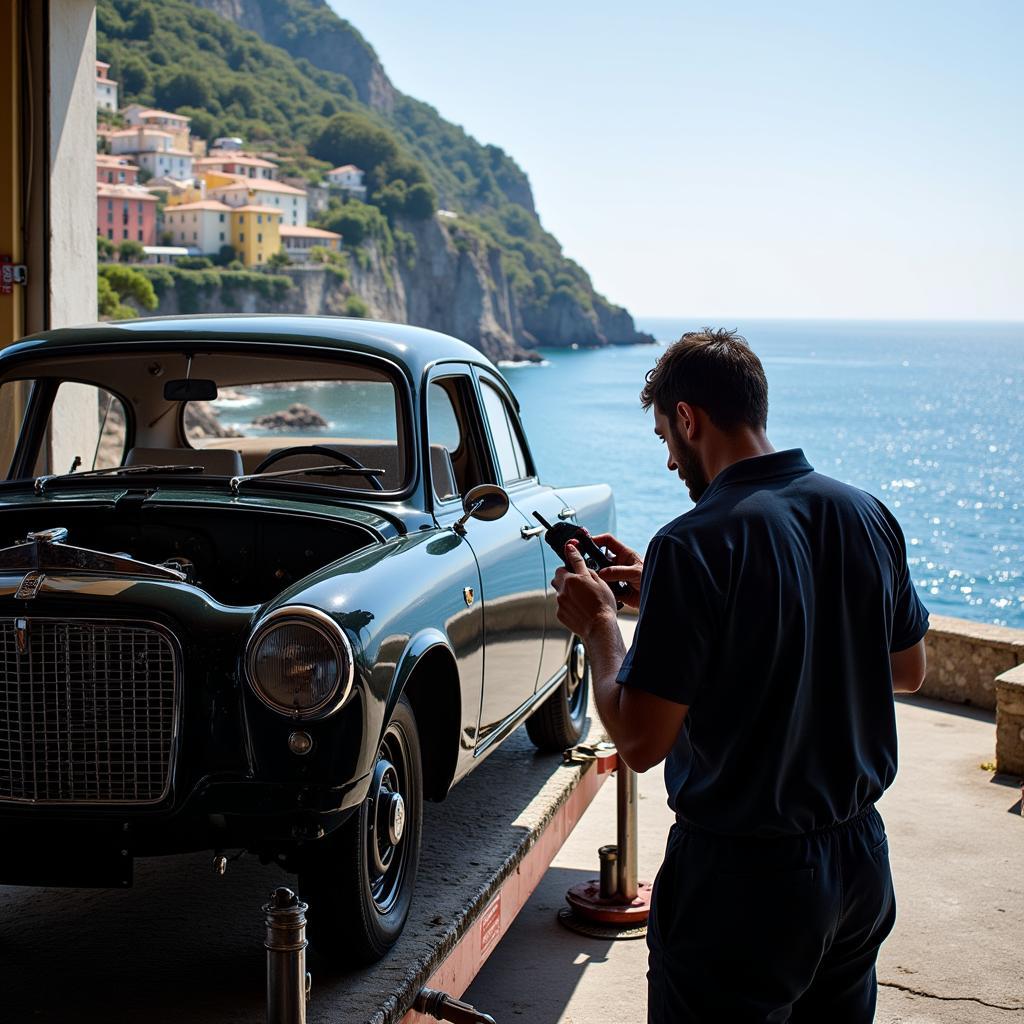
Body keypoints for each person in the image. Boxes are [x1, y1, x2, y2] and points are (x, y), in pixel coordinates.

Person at [552, 328, 929, 1023]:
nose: (670, 462)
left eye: (666, 435)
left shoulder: (694, 541)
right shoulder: (866, 513)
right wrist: (666, 595)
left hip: (741, 886)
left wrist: (601, 624)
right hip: (860, 866)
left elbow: (639, 739)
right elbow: (907, 670)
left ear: (688, 418)